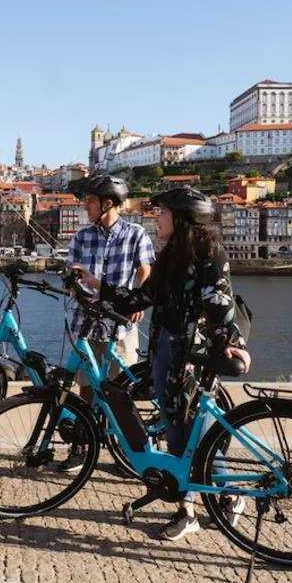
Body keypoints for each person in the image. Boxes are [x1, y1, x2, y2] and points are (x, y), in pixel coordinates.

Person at [96, 186, 251, 541]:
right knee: (178, 427)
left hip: (190, 355)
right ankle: (204, 502)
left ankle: (207, 502)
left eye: (161, 212)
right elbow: (144, 296)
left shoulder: (207, 250)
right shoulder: (170, 254)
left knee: (187, 431)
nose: (156, 217)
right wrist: (100, 289)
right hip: (166, 349)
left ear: (180, 217)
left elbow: (219, 301)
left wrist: (231, 343)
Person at [62, 174, 155, 471]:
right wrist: (74, 283)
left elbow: (145, 270)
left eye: (90, 201)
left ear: (108, 203)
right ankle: (81, 445)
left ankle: (127, 452)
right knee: (85, 388)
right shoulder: (82, 236)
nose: (85, 207)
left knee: (120, 391)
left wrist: (137, 300)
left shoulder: (135, 233)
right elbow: (70, 274)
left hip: (120, 324)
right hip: (86, 322)